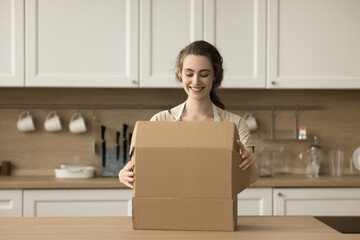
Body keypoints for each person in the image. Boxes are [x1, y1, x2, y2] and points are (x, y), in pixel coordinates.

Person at [119, 40, 258, 188]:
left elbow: (251, 178)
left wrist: (250, 163)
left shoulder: (235, 124)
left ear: (215, 76)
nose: (196, 81)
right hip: (172, 208)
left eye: (204, 74)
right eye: (189, 74)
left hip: (216, 208)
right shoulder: (160, 121)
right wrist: (124, 175)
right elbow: (145, 170)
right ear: (181, 75)